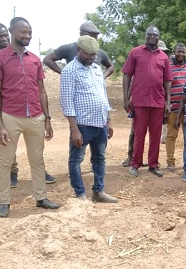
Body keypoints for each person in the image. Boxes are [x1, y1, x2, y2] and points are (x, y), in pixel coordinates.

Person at [0, 17, 60, 217]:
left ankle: (41, 198)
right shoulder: (1, 58)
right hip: (9, 117)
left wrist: (48, 119)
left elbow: (41, 90)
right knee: (4, 161)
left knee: (37, 160)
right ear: (11, 32)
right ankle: (3, 202)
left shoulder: (34, 59)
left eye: (30, 32)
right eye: (23, 32)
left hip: (35, 116)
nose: (27, 36)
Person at [60, 35, 118, 202]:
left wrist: (109, 120)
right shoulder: (69, 71)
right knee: (76, 159)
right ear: (78, 50)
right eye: (88, 54)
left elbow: (103, 96)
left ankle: (98, 192)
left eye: (94, 54)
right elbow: (67, 101)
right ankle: (80, 195)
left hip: (101, 123)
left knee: (99, 158)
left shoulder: (95, 69)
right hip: (82, 126)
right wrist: (74, 129)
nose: (92, 57)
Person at [122, 25, 172, 177]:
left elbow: (168, 81)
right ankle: (135, 164)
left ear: (159, 37)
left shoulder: (164, 57)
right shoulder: (135, 52)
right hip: (139, 101)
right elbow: (126, 75)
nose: (152, 37)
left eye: (155, 35)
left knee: (156, 135)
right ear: (145, 36)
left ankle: (153, 164)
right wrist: (125, 98)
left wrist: (167, 102)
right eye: (149, 34)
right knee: (139, 134)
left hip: (157, 101)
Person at [43, 22, 114, 79]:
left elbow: (110, 66)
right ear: (81, 35)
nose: (92, 40)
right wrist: (64, 74)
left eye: (95, 38)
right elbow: (47, 59)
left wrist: (101, 78)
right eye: (89, 37)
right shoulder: (69, 48)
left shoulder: (100, 52)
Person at [166, 43, 186, 172]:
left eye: (183, 52)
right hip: (173, 108)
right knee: (172, 135)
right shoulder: (168, 67)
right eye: (179, 52)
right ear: (174, 52)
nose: (181, 54)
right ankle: (170, 162)